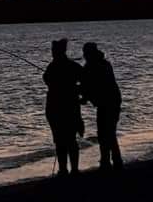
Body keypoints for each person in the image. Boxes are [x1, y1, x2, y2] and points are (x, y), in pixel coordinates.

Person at [43, 38, 84, 176]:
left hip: (57, 108)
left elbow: (46, 80)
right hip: (70, 108)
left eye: (53, 50)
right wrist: (77, 90)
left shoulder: (52, 67)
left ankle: (64, 169)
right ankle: (73, 169)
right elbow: (86, 80)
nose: (52, 53)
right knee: (70, 139)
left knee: (61, 140)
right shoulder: (73, 66)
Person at [81, 41, 123, 171]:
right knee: (108, 132)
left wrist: (83, 96)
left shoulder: (94, 66)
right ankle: (112, 159)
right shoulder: (103, 64)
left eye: (85, 53)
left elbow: (90, 85)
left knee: (106, 133)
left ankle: (109, 160)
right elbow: (89, 85)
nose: (84, 55)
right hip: (111, 102)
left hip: (108, 103)